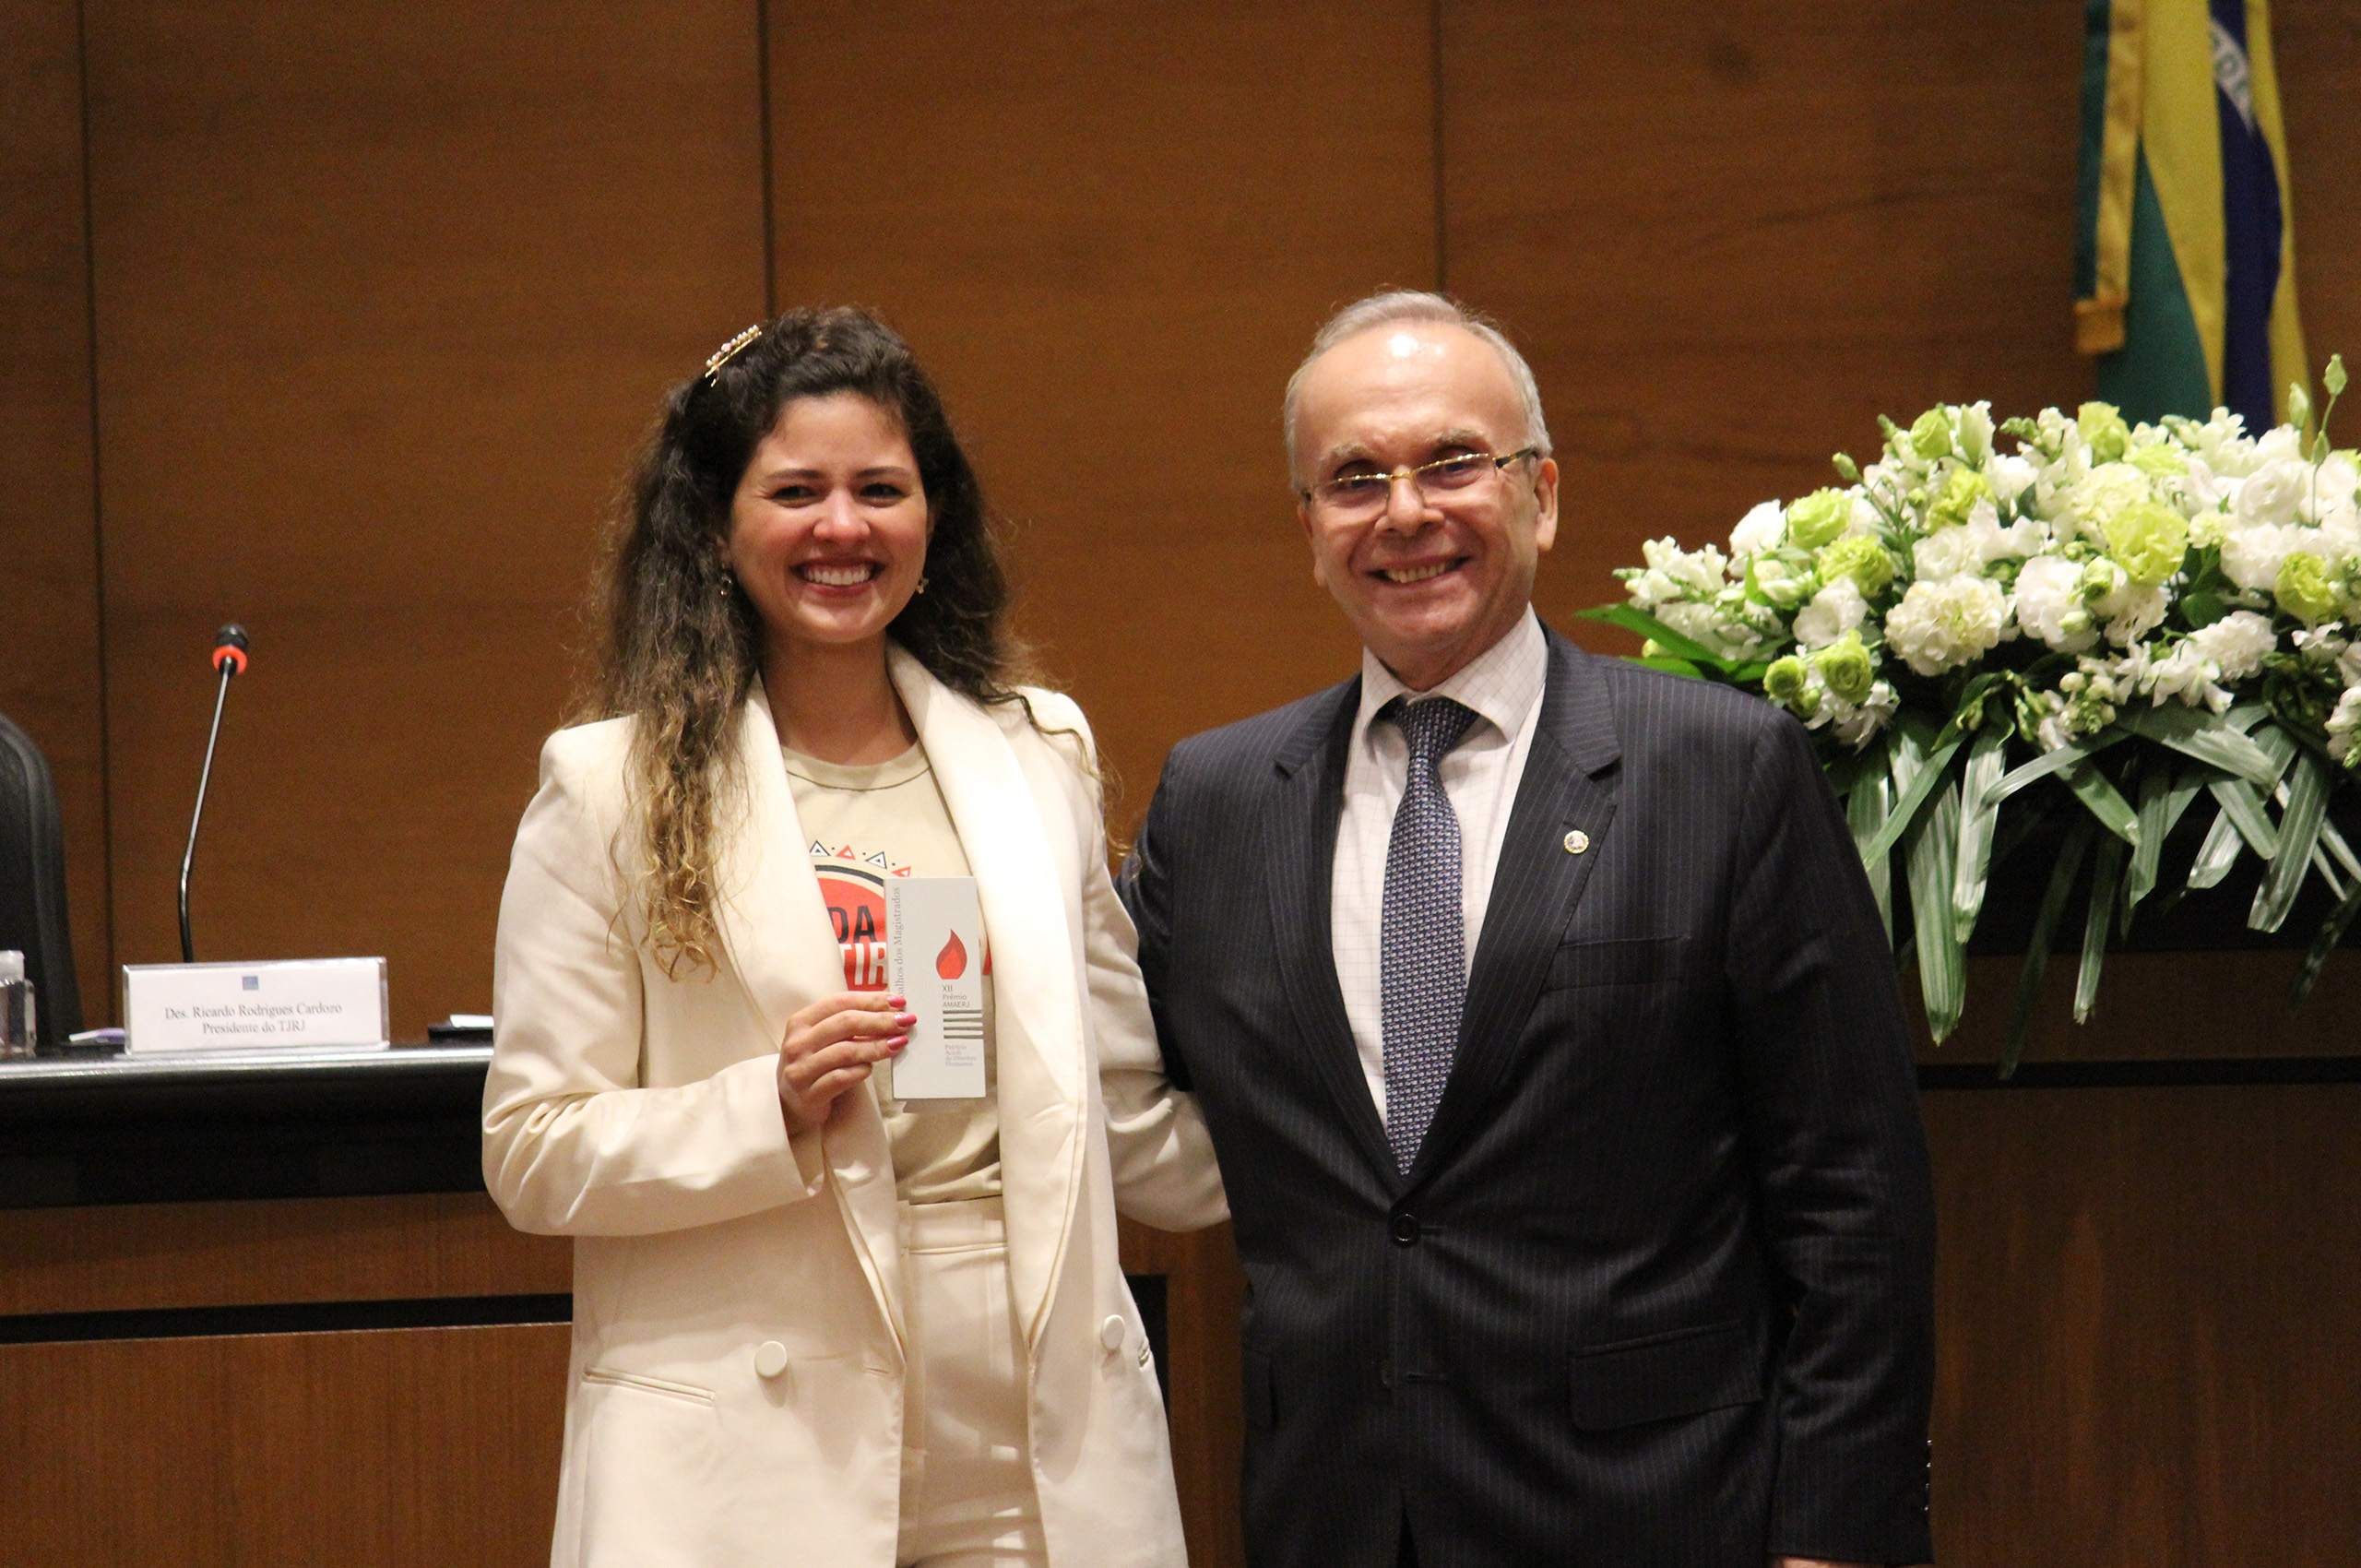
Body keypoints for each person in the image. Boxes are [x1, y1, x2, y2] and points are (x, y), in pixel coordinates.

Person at [1119, 291, 1936, 1568]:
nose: (1405, 513)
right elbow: (1072, 1058)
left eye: (1454, 462)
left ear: (1541, 496)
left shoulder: (1721, 770)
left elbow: (1854, 1198)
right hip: (1335, 1516)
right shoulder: (1217, 803)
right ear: (1309, 530)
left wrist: (1835, 1537)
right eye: (1354, 479)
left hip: (1655, 1512)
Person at [483, 307, 1225, 1568]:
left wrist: (1358, 1151)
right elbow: (532, 1151)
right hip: (759, 1447)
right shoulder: (609, 787)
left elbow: (1119, 1111)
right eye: (796, 493)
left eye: (881, 489)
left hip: (1033, 1442)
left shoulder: (1036, 753)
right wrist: (761, 1106)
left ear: (934, 518)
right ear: (717, 526)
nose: (844, 528)